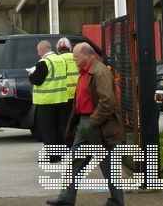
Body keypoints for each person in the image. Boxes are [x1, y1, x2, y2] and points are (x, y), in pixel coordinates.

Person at [46, 42, 125, 206]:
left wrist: (93, 122)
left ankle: (117, 201)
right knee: (74, 161)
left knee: (108, 165)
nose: (73, 58)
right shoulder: (85, 71)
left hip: (96, 124)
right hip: (85, 123)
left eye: (76, 55)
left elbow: (108, 102)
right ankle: (66, 199)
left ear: (87, 55)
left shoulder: (99, 71)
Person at [29, 39, 68, 163]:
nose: (38, 54)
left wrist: (31, 74)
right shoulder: (61, 60)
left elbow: (36, 80)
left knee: (48, 130)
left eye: (38, 51)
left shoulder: (43, 62)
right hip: (61, 99)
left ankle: (52, 156)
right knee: (59, 128)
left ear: (42, 50)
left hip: (46, 101)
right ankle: (61, 154)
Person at [56, 37, 80, 125]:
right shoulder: (76, 57)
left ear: (58, 49)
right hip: (77, 94)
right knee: (76, 120)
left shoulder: (57, 60)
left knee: (65, 121)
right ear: (70, 48)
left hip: (64, 95)